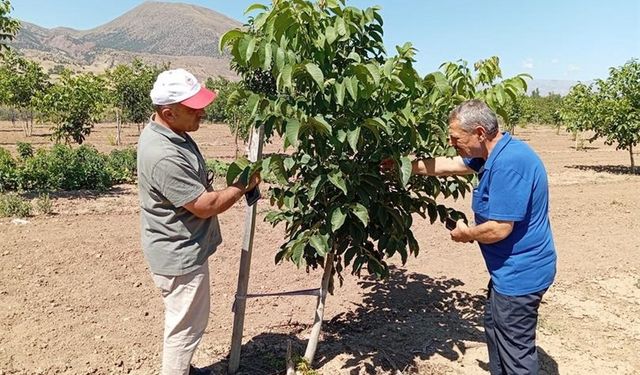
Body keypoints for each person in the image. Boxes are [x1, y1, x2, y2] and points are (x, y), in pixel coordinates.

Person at [387, 99, 556, 374]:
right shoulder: (493, 153)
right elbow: (449, 165)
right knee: (494, 328)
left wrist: (466, 234)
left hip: (521, 275)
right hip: (508, 272)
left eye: (455, 138)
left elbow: (500, 228)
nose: (452, 143)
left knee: (517, 355)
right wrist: (404, 166)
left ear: (479, 132)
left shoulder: (509, 164)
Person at [137, 68, 260, 375]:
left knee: (184, 320)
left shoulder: (173, 133)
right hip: (179, 257)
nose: (202, 112)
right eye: (194, 108)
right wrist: (242, 186)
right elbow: (205, 206)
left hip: (180, 248)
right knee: (185, 330)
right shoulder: (163, 154)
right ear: (168, 112)